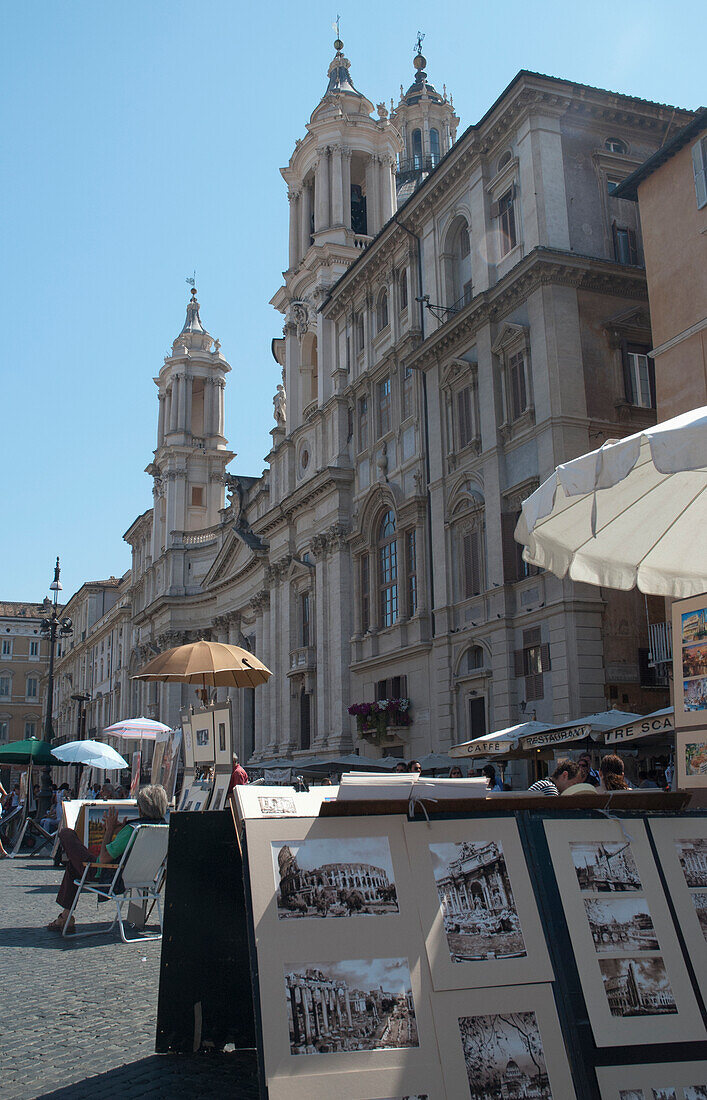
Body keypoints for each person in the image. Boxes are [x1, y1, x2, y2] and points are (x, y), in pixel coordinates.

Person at [48, 784, 168, 935]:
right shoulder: (164, 828)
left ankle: (65, 917)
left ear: (141, 808)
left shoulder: (133, 830)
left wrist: (109, 830)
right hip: (142, 878)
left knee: (66, 833)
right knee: (73, 866)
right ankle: (65, 917)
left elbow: (103, 858)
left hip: (106, 875)